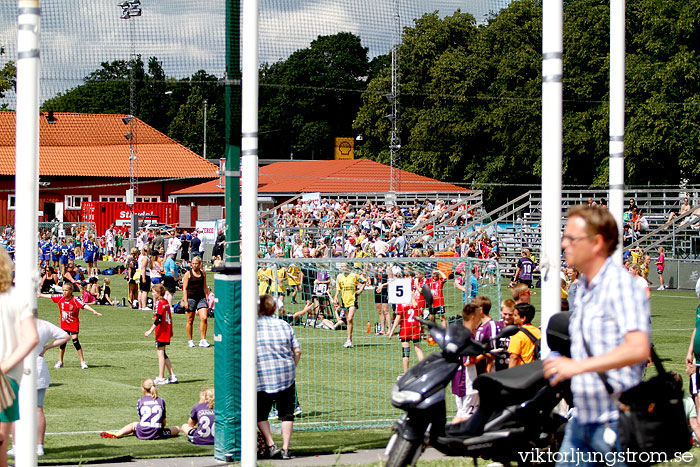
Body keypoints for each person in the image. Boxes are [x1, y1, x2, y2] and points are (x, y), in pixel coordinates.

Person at [543, 205, 650, 465]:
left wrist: (577, 366)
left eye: (571, 238)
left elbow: (638, 349)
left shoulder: (620, 286)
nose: (563, 244)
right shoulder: (585, 290)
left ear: (597, 242)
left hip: (613, 422)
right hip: (583, 419)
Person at [0, 247, 39, 467]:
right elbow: (31, 338)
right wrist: (5, 367)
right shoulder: (16, 297)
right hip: (9, 378)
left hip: (5, 378)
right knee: (2, 445)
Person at [9, 319, 69, 457]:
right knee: (38, 408)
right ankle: (39, 446)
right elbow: (65, 336)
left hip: (20, 367)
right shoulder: (44, 324)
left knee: (16, 409)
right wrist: (46, 347)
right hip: (37, 367)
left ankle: (17, 446)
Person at [257, 294, 301, 460]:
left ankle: (271, 444)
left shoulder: (253, 326)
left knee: (259, 414)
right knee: (286, 414)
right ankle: (285, 448)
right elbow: (297, 350)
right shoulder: (284, 324)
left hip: (262, 376)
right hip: (286, 375)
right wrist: (292, 368)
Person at [39, 283, 102, 369]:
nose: (64, 292)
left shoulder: (75, 299)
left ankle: (82, 362)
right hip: (64, 325)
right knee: (62, 343)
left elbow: (84, 305)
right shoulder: (60, 298)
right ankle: (60, 361)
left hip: (73, 324)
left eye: (66, 290)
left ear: (71, 291)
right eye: (63, 290)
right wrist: (40, 295)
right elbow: (51, 296)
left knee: (75, 341)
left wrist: (93, 311)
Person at [100, 379, 180, 440]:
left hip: (142, 432)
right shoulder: (161, 400)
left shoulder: (140, 401)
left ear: (143, 389)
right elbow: (163, 421)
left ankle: (118, 433)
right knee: (177, 429)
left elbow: (142, 419)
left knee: (134, 424)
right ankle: (162, 432)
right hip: (157, 433)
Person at [451, 303, 480, 424]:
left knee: (461, 413)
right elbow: (469, 361)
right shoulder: (469, 338)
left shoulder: (457, 335)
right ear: (473, 317)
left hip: (458, 383)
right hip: (467, 383)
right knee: (467, 418)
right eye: (479, 316)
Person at [144, 284, 177, 385]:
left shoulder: (159, 303)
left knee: (160, 354)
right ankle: (172, 375)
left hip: (161, 331)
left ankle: (161, 377)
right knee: (164, 354)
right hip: (166, 330)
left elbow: (158, 319)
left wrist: (150, 330)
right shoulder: (166, 302)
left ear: (158, 293)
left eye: (154, 292)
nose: (152, 293)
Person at [387, 298, 424, 374]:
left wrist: (392, 330)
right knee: (418, 350)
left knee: (405, 352)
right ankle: (424, 371)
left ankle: (405, 373)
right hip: (415, 328)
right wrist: (422, 329)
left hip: (405, 329)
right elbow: (420, 317)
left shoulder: (402, 304)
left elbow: (398, 317)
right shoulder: (416, 303)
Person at [332, 264, 366, 348]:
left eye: (345, 266)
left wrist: (360, 290)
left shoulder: (354, 276)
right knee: (348, 320)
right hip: (344, 300)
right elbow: (338, 289)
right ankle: (349, 339)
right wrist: (336, 297)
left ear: (349, 267)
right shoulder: (339, 277)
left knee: (350, 318)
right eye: (342, 266)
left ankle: (349, 340)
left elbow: (364, 281)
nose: (344, 268)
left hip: (353, 300)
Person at [182, 256, 211, 348]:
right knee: (190, 320)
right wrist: (185, 301)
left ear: (199, 264)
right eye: (193, 263)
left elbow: (205, 287)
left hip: (201, 298)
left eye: (196, 263)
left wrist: (207, 299)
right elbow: (185, 288)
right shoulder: (188, 274)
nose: (194, 265)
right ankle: (190, 340)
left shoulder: (203, 273)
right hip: (191, 298)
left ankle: (203, 340)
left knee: (204, 318)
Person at [507, 303, 540, 367]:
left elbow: (514, 357)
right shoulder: (538, 331)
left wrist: (509, 374)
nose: (513, 317)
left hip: (522, 371)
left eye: (515, 315)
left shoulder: (518, 334)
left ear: (523, 318)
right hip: (535, 369)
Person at [494, 299, 515, 371]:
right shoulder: (495, 326)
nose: (507, 317)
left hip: (512, 367)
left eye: (510, 314)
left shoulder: (518, 328)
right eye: (505, 314)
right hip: (497, 366)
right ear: (501, 311)